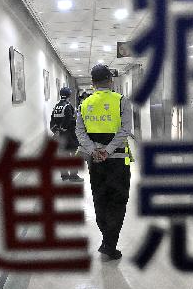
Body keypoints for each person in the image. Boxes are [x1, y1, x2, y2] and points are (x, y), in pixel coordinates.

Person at [76, 64, 132, 260]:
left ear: (92, 83)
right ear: (110, 80)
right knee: (118, 200)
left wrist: (94, 150)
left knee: (100, 198)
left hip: (95, 162)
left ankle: (107, 240)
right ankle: (109, 243)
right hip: (117, 160)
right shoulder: (121, 101)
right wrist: (108, 151)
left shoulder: (84, 104)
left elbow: (80, 133)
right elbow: (125, 130)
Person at [50, 87, 83, 182]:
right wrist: (63, 128)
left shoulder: (56, 106)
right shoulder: (68, 106)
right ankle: (73, 176)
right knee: (73, 154)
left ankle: (64, 175)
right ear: (69, 95)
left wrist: (56, 131)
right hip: (70, 135)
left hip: (60, 136)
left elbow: (52, 121)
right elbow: (69, 119)